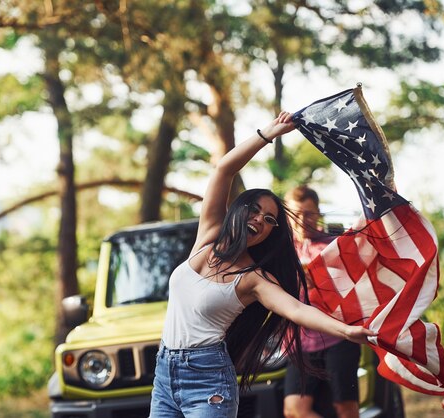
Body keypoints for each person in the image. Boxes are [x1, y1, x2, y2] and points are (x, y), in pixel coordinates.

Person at [149, 111, 375, 418]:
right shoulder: (208, 238)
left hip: (208, 382)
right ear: (239, 209)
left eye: (269, 219)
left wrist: (347, 331)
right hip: (164, 375)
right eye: (254, 210)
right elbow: (224, 169)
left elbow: (297, 310)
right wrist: (268, 133)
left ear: (271, 233)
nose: (259, 220)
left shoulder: (253, 278)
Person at [283, 185, 361, 418]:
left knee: (345, 409)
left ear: (318, 214)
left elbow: (355, 285)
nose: (302, 220)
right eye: (296, 214)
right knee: (294, 410)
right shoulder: (281, 250)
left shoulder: (333, 246)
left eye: (308, 213)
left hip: (338, 337)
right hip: (299, 344)